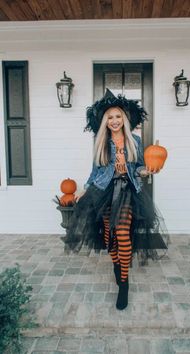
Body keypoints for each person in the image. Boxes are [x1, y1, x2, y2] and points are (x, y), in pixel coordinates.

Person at [62, 89, 169, 310]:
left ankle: (124, 284)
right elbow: (95, 172)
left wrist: (145, 172)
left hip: (128, 189)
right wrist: (84, 189)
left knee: (122, 232)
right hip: (104, 191)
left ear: (124, 118)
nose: (114, 121)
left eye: (117, 116)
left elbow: (138, 166)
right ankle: (116, 264)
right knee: (110, 236)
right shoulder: (100, 142)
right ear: (105, 121)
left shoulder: (135, 141)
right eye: (109, 117)